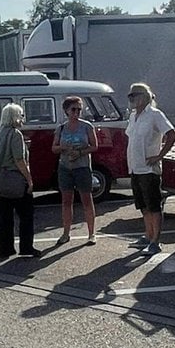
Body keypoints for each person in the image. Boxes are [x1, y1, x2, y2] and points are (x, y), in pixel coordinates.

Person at [124, 82, 175, 256]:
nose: (131, 99)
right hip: (135, 168)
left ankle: (155, 241)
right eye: (130, 95)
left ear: (144, 97)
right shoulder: (133, 116)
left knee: (154, 205)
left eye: (134, 95)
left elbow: (172, 134)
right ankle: (148, 235)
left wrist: (159, 156)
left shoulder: (155, 115)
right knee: (143, 205)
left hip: (149, 170)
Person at [0, 103, 40, 258]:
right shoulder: (16, 134)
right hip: (16, 179)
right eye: (21, 115)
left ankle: (5, 249)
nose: (23, 118)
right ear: (15, 117)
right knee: (26, 215)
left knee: (5, 217)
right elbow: (19, 160)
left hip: (1, 178)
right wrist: (29, 180)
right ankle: (26, 247)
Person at [52, 95, 98, 246]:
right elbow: (54, 148)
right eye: (73, 109)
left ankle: (91, 233)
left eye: (79, 109)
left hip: (82, 167)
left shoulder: (87, 126)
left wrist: (80, 152)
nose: (77, 112)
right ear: (66, 110)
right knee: (66, 200)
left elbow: (94, 146)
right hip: (65, 167)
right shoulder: (61, 128)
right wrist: (63, 147)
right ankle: (66, 233)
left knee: (86, 199)